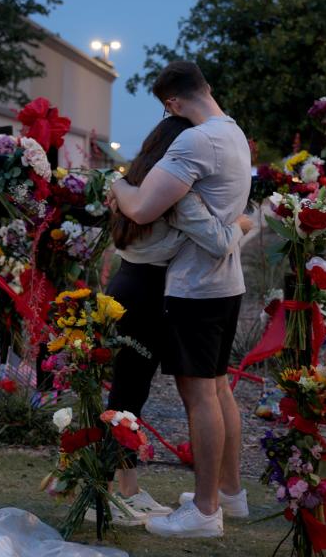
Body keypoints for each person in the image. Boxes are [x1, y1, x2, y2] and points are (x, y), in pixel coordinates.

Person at [88, 116, 252, 527]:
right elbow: (218, 241)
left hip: (132, 283)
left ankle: (119, 488)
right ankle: (115, 492)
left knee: (131, 389)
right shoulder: (172, 194)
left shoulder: (137, 186)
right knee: (129, 391)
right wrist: (245, 223)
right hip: (145, 290)